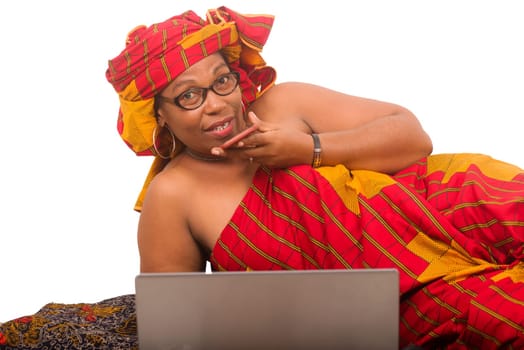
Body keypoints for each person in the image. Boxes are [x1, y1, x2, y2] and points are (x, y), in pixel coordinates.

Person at [0, 6, 521, 350]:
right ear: (159, 114)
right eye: (189, 95)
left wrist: (308, 149)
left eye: (222, 81)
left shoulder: (282, 102)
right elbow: (177, 326)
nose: (218, 104)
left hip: (446, 203)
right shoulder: (173, 196)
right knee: (503, 319)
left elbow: (413, 137)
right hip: (400, 302)